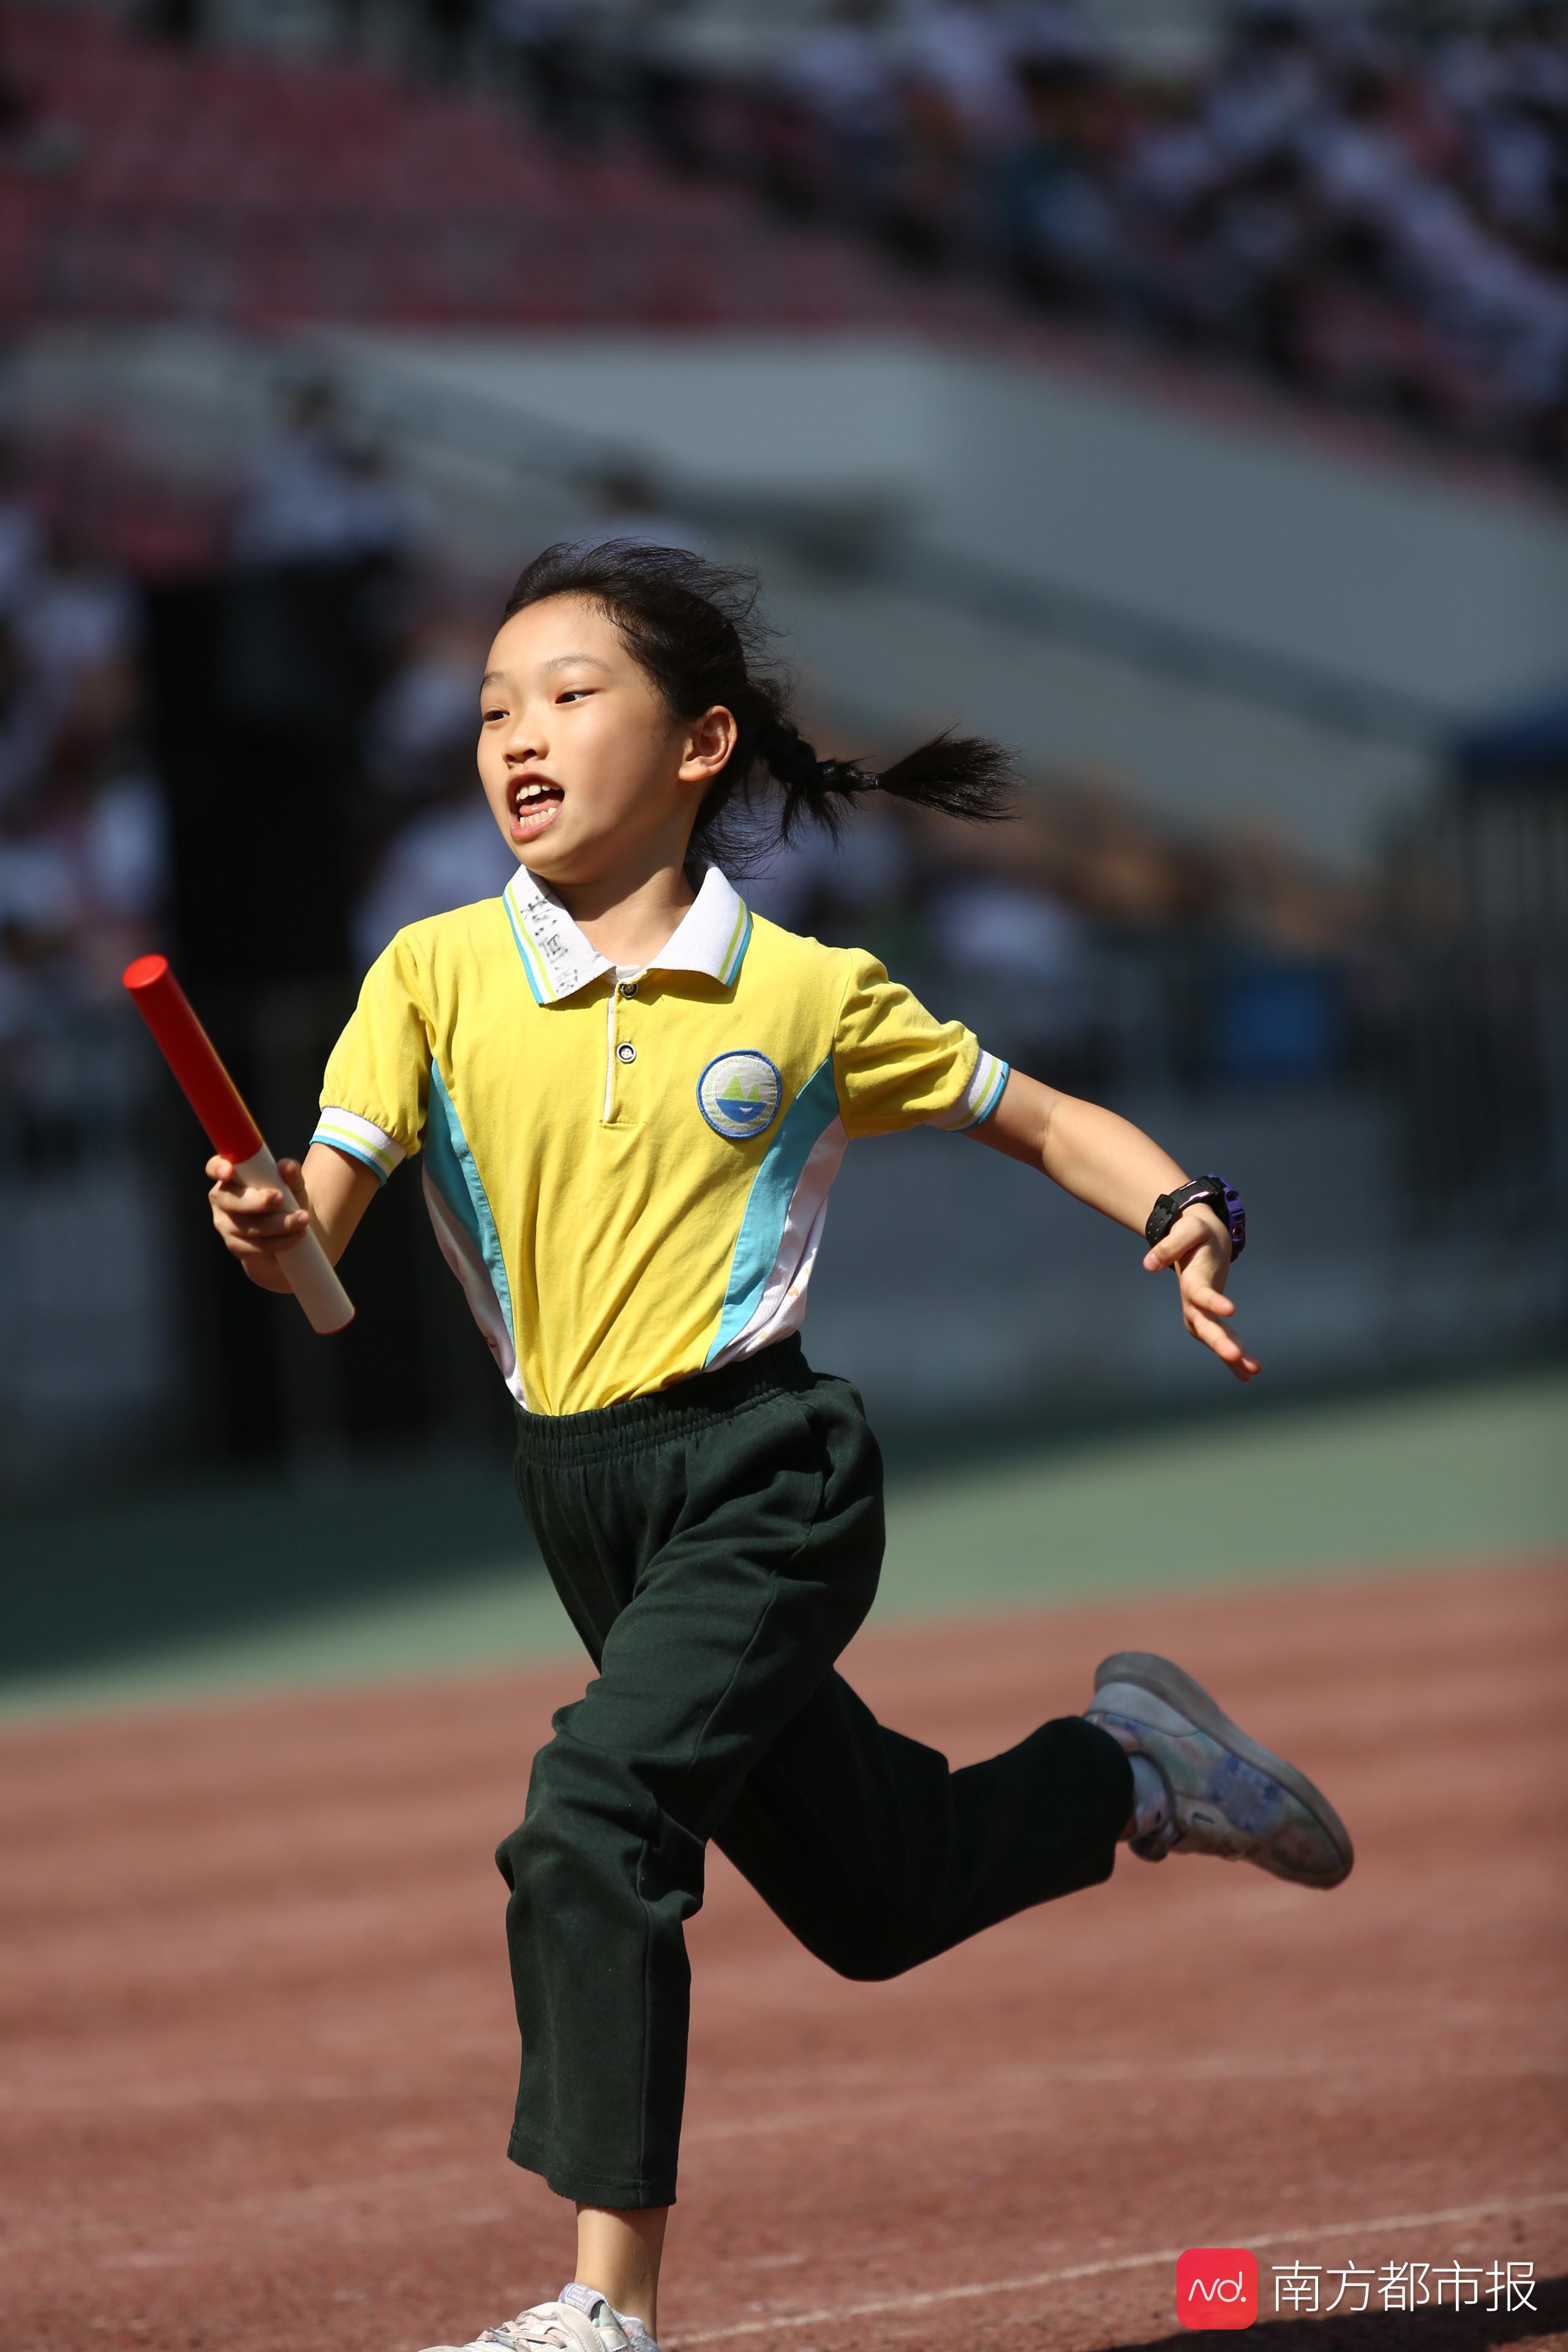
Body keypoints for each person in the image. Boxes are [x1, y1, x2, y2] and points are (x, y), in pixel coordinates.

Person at [205, 542, 1354, 2352]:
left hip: (766, 1473)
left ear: (699, 742)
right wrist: (278, 1223)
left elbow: (1040, 1117)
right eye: (497, 705)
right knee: (879, 1898)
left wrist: (1183, 1203)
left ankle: (603, 2313)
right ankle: (1131, 1768)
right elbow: (319, 1222)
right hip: (577, 1496)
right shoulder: (426, 976)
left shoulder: (804, 995)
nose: (519, 733)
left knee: (595, 1817)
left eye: (570, 694)